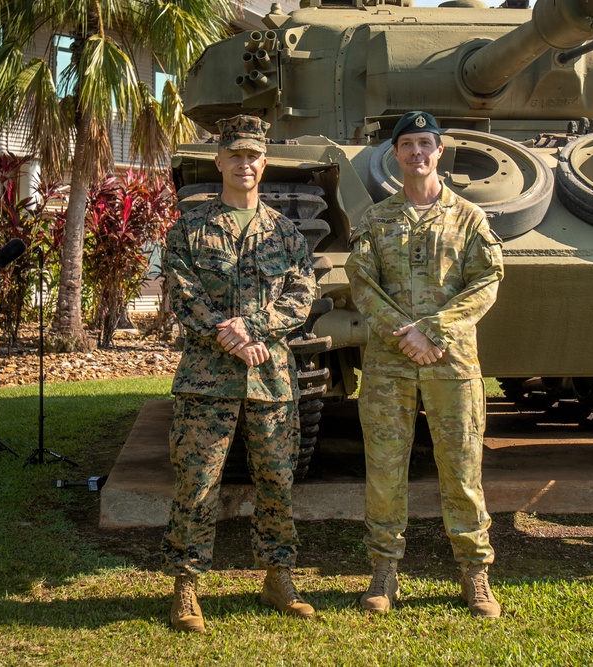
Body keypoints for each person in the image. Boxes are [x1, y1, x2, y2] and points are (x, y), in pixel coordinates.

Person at [346, 111, 505, 618]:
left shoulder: (469, 216)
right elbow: (362, 283)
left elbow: (488, 279)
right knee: (385, 470)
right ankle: (384, 572)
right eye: (407, 144)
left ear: (440, 152)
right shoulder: (376, 219)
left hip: (451, 362)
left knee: (461, 469)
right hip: (390, 365)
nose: (417, 152)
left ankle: (475, 574)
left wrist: (431, 332)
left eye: (425, 144)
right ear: (395, 154)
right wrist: (406, 334)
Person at [160, 114, 316, 633]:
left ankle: (278, 576)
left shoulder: (285, 232)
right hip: (206, 380)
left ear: (263, 164)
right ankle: (186, 587)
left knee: (276, 481)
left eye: (253, 155)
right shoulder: (188, 230)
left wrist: (250, 329)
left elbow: (301, 296)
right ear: (220, 161)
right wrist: (228, 337)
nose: (244, 163)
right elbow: (183, 294)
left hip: (269, 380)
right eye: (235, 155)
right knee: (198, 481)